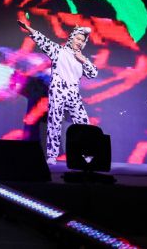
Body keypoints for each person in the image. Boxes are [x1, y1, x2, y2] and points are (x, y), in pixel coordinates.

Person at [17, 20, 97, 165]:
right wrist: (29, 29)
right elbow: (43, 40)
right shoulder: (59, 51)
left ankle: (87, 155)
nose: (80, 42)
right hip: (58, 91)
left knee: (84, 124)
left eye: (82, 40)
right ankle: (52, 155)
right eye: (78, 39)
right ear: (72, 38)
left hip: (73, 93)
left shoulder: (81, 59)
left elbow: (93, 74)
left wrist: (84, 61)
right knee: (54, 123)